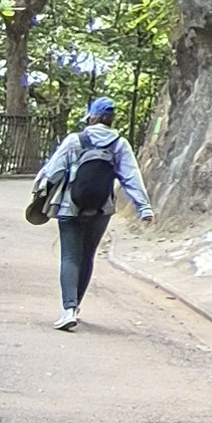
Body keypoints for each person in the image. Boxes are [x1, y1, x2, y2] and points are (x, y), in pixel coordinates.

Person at [33, 97, 154, 326]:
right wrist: (143, 207)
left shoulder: (75, 140)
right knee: (87, 256)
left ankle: (68, 310)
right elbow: (131, 177)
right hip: (101, 209)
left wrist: (39, 192)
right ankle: (76, 306)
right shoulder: (119, 144)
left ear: (92, 117)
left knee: (70, 256)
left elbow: (54, 171)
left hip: (70, 207)